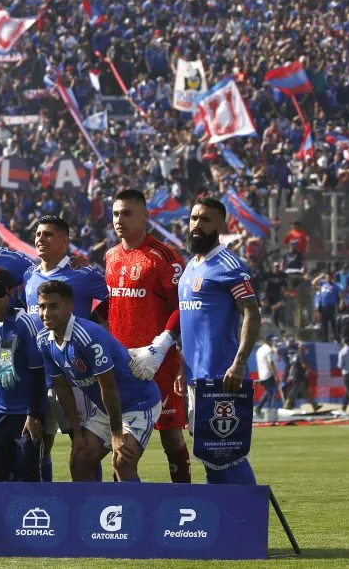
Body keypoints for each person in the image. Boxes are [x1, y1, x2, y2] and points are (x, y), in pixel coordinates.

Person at [103, 190, 192, 484]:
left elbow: (181, 307)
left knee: (171, 437)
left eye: (127, 213)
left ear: (145, 216)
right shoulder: (110, 256)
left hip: (159, 363)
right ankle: (121, 508)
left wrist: (163, 344)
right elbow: (109, 305)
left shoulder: (164, 256)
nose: (120, 220)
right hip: (123, 364)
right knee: (122, 444)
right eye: (116, 214)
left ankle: (184, 502)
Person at [35, 280, 162, 482]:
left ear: (69, 307)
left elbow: (109, 387)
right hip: (107, 409)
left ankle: (137, 513)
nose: (46, 313)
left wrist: (117, 434)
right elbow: (61, 387)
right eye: (42, 306)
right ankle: (91, 513)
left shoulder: (88, 335)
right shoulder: (43, 340)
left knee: (122, 461)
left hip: (138, 402)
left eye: (53, 306)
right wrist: (76, 433)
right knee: (80, 460)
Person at [176, 198, 261, 485]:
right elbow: (189, 325)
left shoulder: (229, 265)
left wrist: (239, 364)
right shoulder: (190, 267)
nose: (197, 225)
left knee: (227, 456)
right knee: (211, 458)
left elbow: (252, 312)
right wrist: (181, 367)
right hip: (195, 380)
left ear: (220, 225)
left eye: (205, 220)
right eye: (194, 218)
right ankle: (226, 523)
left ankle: (249, 514)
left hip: (221, 379)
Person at [24, 215, 108, 482]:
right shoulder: (29, 274)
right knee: (36, 445)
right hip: (36, 375)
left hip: (75, 376)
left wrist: (92, 326)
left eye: (48, 234)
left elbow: (114, 298)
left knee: (82, 446)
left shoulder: (83, 274)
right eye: (38, 234)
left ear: (64, 242)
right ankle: (45, 506)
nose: (40, 239)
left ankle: (92, 507)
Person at [0, 267, 46, 482]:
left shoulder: (23, 324)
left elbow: (37, 372)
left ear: (10, 292)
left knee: (27, 474)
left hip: (24, 414)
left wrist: (33, 415)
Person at [313, 272, 343, 343]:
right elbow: (313, 283)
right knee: (324, 325)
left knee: (334, 324)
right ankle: (325, 340)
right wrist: (320, 276)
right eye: (327, 277)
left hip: (332, 307)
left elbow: (341, 296)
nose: (328, 279)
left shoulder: (336, 286)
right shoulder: (323, 284)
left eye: (329, 277)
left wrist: (341, 303)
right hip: (323, 308)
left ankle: (336, 339)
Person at [254, 337, 279, 421]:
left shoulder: (260, 349)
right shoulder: (268, 350)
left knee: (268, 391)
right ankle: (269, 411)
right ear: (268, 340)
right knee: (271, 392)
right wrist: (275, 375)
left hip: (262, 374)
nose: (273, 342)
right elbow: (271, 362)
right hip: (269, 373)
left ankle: (259, 408)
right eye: (272, 340)